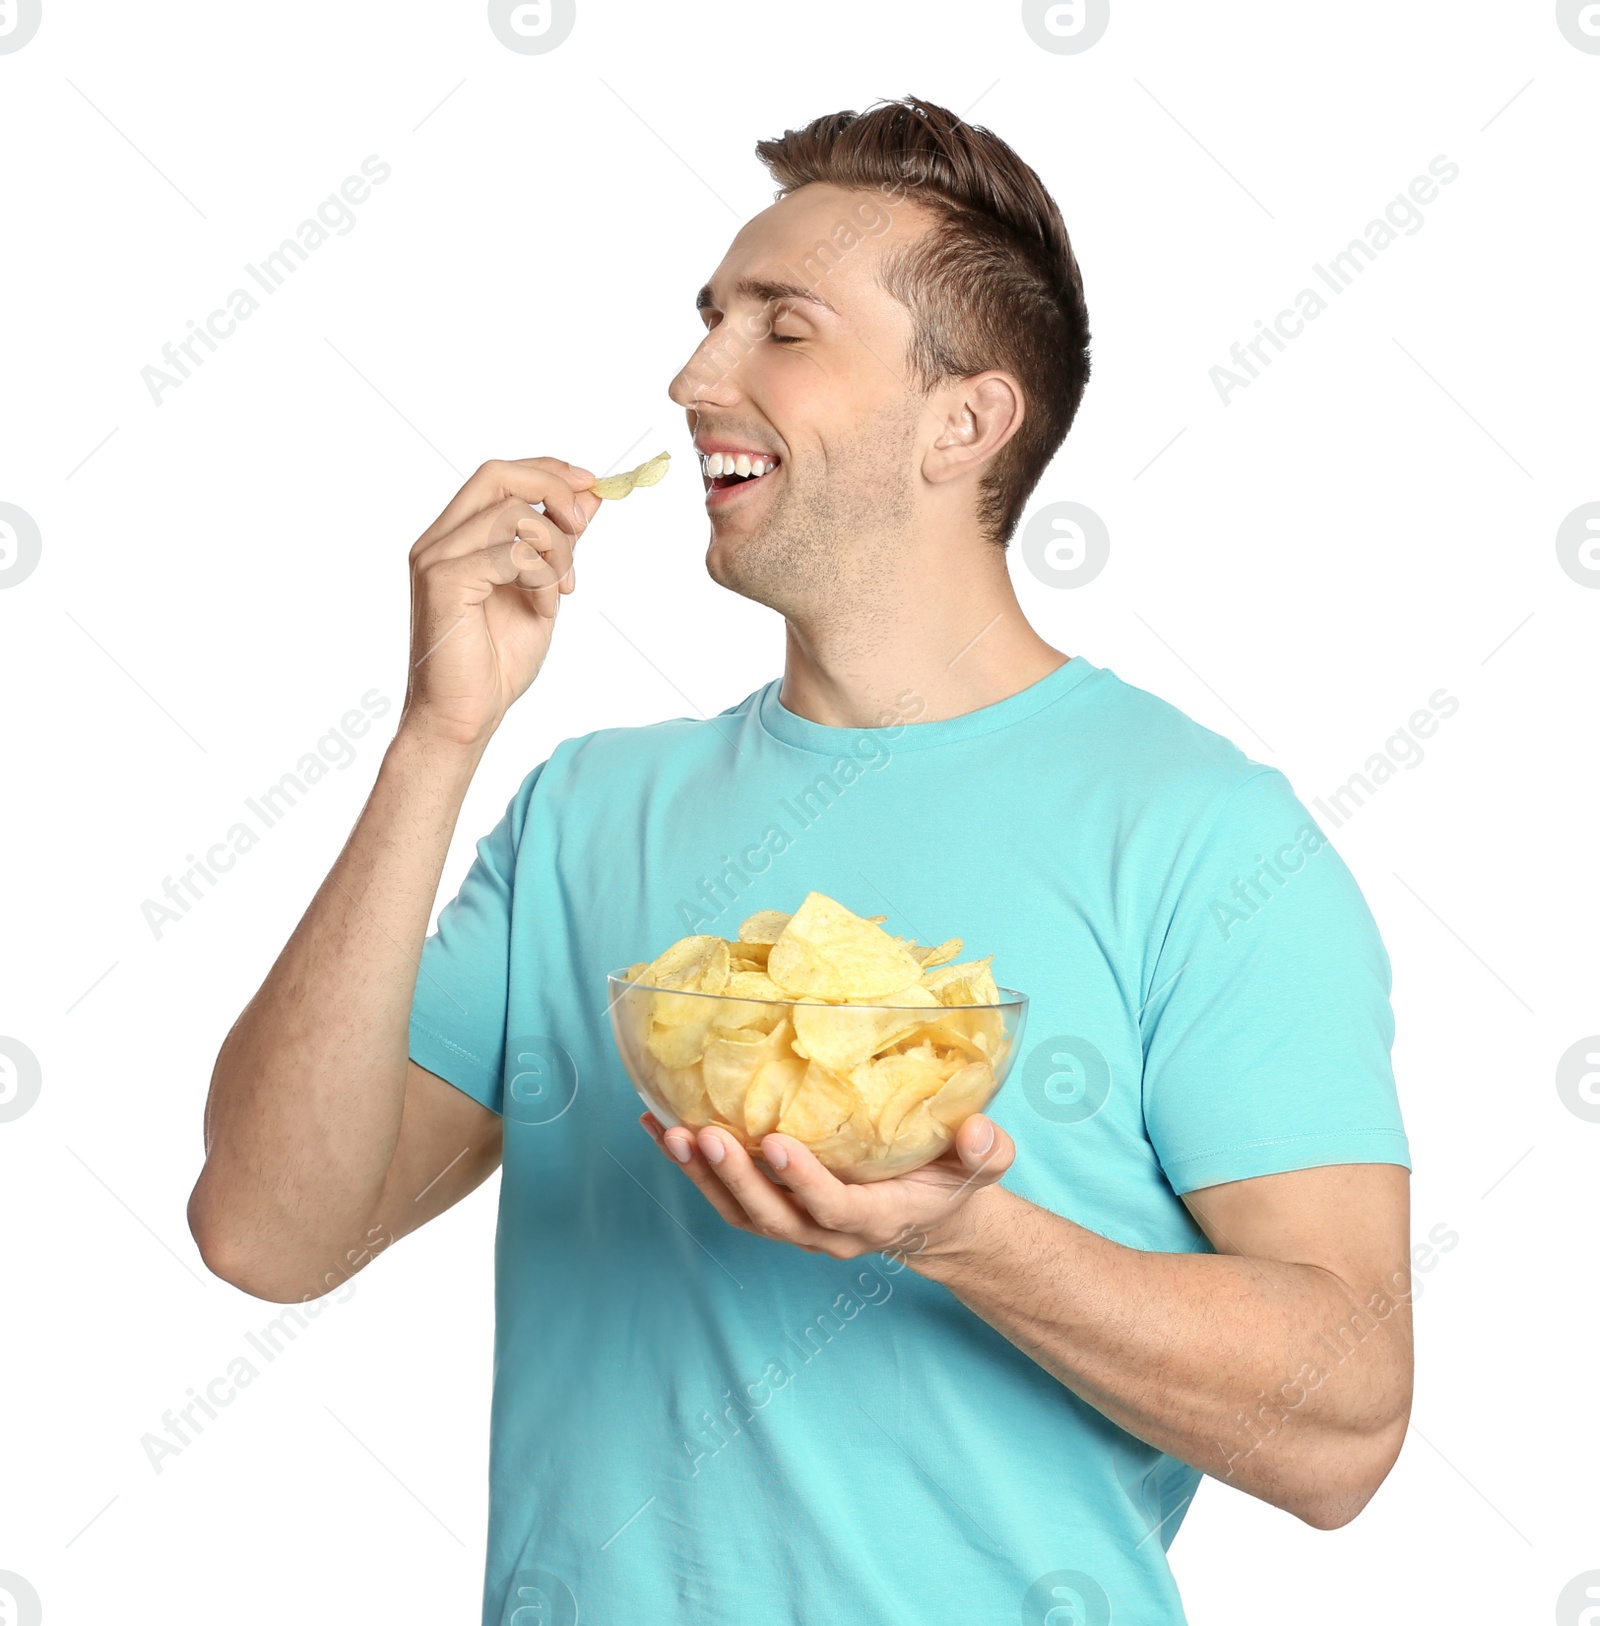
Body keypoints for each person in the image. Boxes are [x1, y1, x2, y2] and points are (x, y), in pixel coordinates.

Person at [189, 96, 1413, 1625]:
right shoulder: (587, 809)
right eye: (711, 319)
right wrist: (437, 739)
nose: (697, 375)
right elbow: (266, 1232)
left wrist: (962, 1231)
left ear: (963, 420)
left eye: (783, 327)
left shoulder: (1203, 836)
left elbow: (1346, 1424)